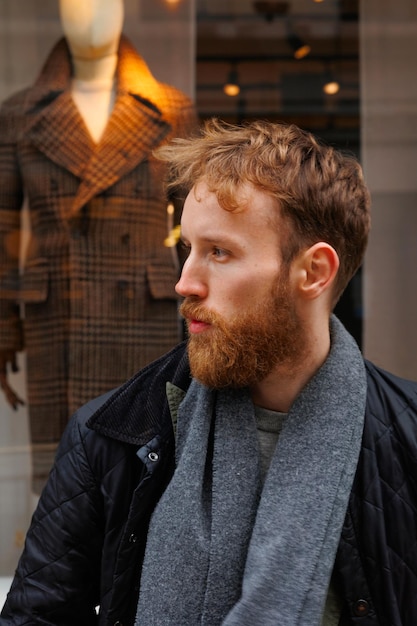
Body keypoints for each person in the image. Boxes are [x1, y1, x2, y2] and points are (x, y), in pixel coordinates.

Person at [2, 119, 417, 626]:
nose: (184, 283)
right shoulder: (109, 438)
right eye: (187, 248)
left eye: (218, 253)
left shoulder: (406, 438)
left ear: (313, 272)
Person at [0, 0, 197, 493]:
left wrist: (205, 317)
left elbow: (196, 226)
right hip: (57, 316)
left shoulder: (170, 109)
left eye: (104, 1)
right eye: (74, 1)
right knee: (66, 480)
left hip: (146, 316)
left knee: (143, 468)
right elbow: (2, 230)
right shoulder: (20, 114)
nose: (89, 13)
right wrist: (3, 329)